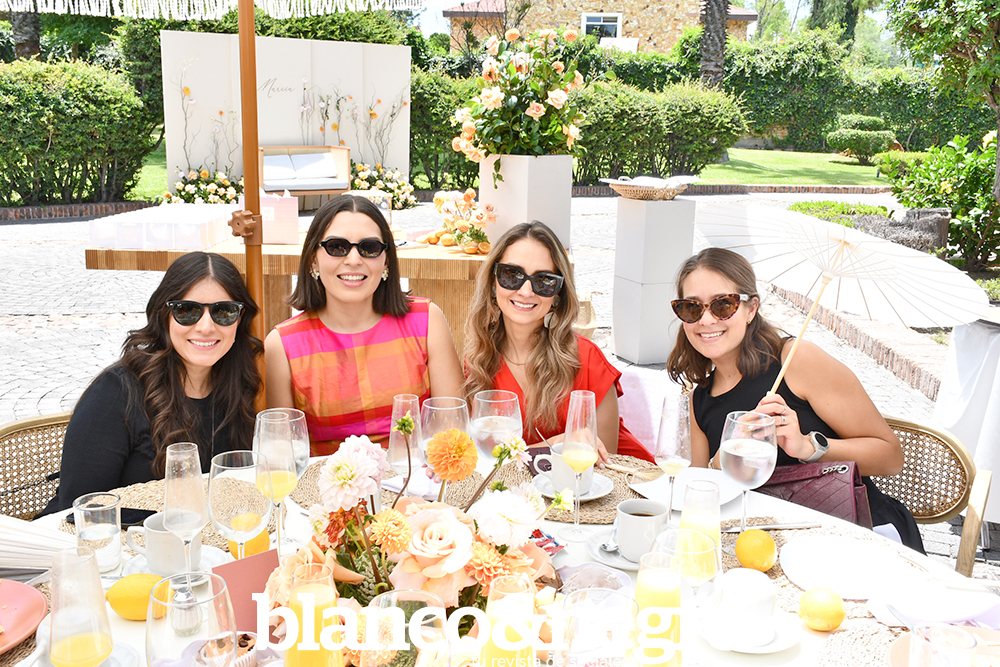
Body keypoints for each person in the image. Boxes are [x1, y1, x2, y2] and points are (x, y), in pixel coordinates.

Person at [666, 247, 924, 552]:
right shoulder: (698, 400)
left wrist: (806, 447)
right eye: (691, 308)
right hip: (769, 542)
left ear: (751, 309)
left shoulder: (796, 360)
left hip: (855, 533)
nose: (707, 320)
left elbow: (891, 457)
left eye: (723, 305)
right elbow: (699, 496)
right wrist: (724, 459)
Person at [41, 252, 261, 515]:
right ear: (163, 315)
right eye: (187, 310)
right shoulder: (115, 393)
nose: (206, 327)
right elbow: (78, 509)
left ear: (240, 318)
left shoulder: (240, 384)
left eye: (223, 311)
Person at [266, 195, 463, 455]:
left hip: (416, 477)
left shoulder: (428, 320)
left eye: (369, 248)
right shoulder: (281, 345)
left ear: (386, 261)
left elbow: (453, 431)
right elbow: (283, 456)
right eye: (337, 247)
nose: (354, 260)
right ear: (313, 259)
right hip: (323, 480)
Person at [464, 221, 651, 462]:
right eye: (512, 275)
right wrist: (553, 445)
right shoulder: (477, 362)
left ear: (557, 294)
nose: (526, 291)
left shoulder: (586, 360)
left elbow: (605, 463)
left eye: (544, 281)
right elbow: (479, 458)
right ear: (493, 280)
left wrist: (541, 449)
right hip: (524, 485)